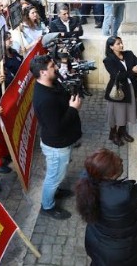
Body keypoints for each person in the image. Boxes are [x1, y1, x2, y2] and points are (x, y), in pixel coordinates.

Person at [75, 143, 137, 266]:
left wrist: (129, 206)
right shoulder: (124, 195)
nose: (121, 162)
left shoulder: (87, 179)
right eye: (119, 164)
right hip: (122, 252)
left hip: (94, 240)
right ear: (112, 175)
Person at [31, 54, 82, 220]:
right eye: (53, 66)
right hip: (56, 146)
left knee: (56, 173)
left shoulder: (51, 83)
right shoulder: (44, 99)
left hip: (60, 143)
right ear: (43, 72)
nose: (57, 68)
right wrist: (73, 109)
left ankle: (56, 191)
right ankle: (47, 205)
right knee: (53, 177)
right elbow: (56, 128)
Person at [102, 37, 137, 146]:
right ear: (111, 46)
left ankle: (122, 132)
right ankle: (114, 134)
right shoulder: (108, 60)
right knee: (116, 114)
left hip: (130, 88)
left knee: (127, 112)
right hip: (117, 91)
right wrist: (132, 71)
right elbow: (117, 76)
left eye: (121, 43)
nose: (121, 45)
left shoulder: (129, 54)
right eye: (118, 44)